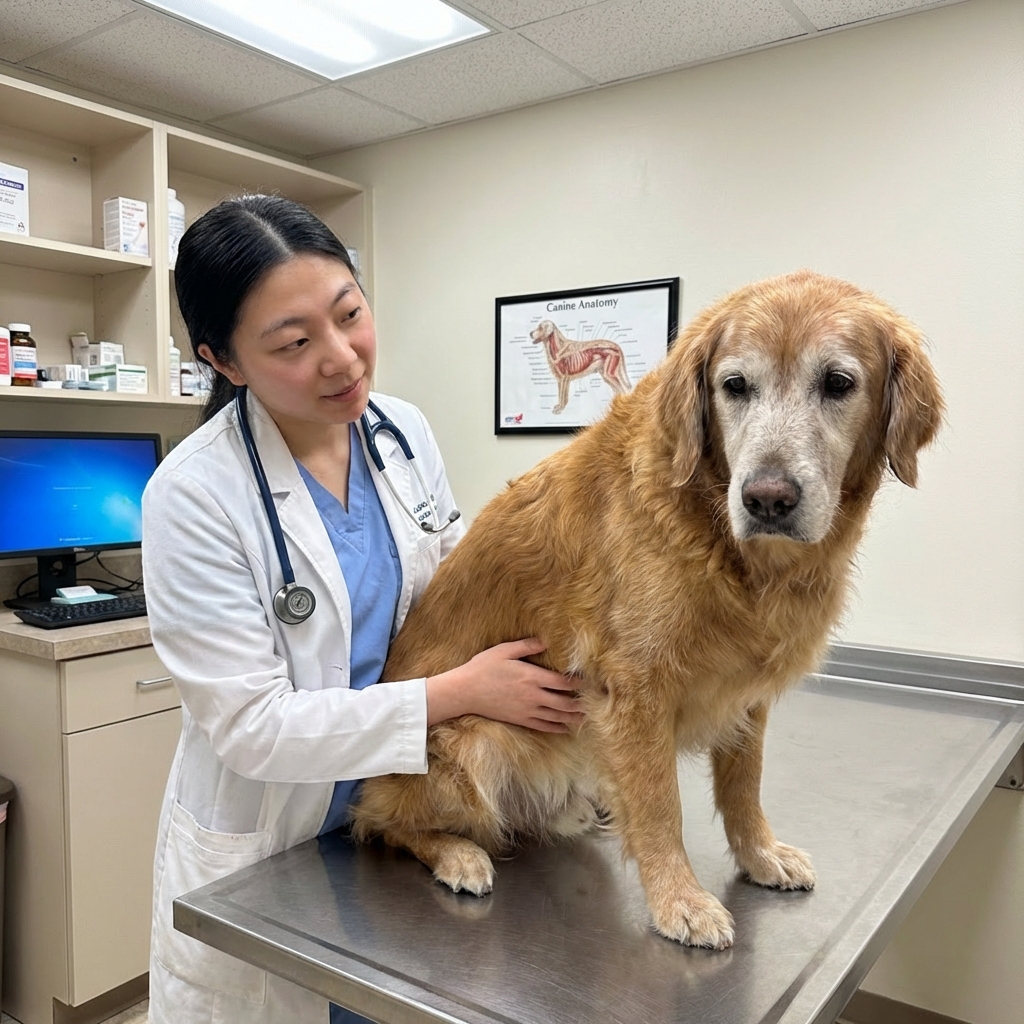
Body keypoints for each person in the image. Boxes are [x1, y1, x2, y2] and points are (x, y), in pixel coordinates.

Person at [143, 195, 584, 1024]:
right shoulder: (193, 496)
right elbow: (253, 727)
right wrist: (462, 694)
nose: (343, 359)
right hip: (276, 848)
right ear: (223, 360)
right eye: (294, 343)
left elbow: (453, 587)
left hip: (408, 815)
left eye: (350, 314)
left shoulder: (402, 431)